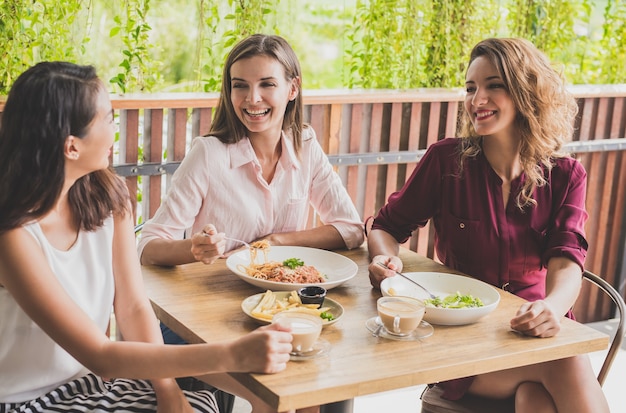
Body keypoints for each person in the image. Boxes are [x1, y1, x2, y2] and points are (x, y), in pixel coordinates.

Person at [0, 61, 307, 413]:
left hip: (89, 385)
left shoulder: (107, 199)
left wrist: (168, 391)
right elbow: (101, 356)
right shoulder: (13, 235)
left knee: (234, 399)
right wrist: (232, 354)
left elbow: (132, 308)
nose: (115, 129)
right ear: (72, 147)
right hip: (21, 401)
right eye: (107, 119)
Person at [366, 38, 609, 413]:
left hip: (537, 328)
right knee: (565, 362)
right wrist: (385, 262)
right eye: (470, 88)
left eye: (494, 85)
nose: (477, 99)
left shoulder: (566, 174)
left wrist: (552, 308)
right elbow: (384, 227)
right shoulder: (445, 161)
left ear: (527, 91)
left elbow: (567, 258)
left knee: (536, 401)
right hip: (461, 341)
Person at [137, 34, 363, 267]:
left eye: (267, 84)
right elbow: (148, 248)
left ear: (292, 89)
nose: (252, 98)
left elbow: (352, 230)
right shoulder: (208, 154)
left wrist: (276, 241)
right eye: (240, 86)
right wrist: (194, 249)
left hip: (288, 297)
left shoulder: (305, 145)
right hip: (214, 295)